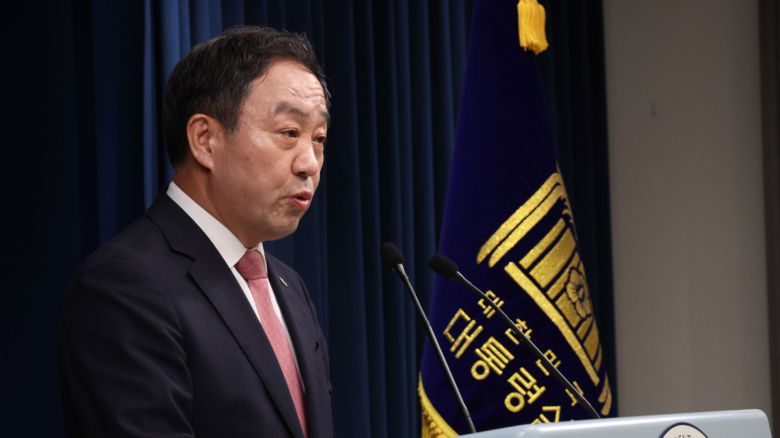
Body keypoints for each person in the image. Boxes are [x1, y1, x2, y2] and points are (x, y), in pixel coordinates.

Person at [58, 26, 333, 438]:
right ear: (205, 139)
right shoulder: (124, 287)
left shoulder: (289, 287)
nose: (309, 162)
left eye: (319, 138)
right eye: (289, 133)